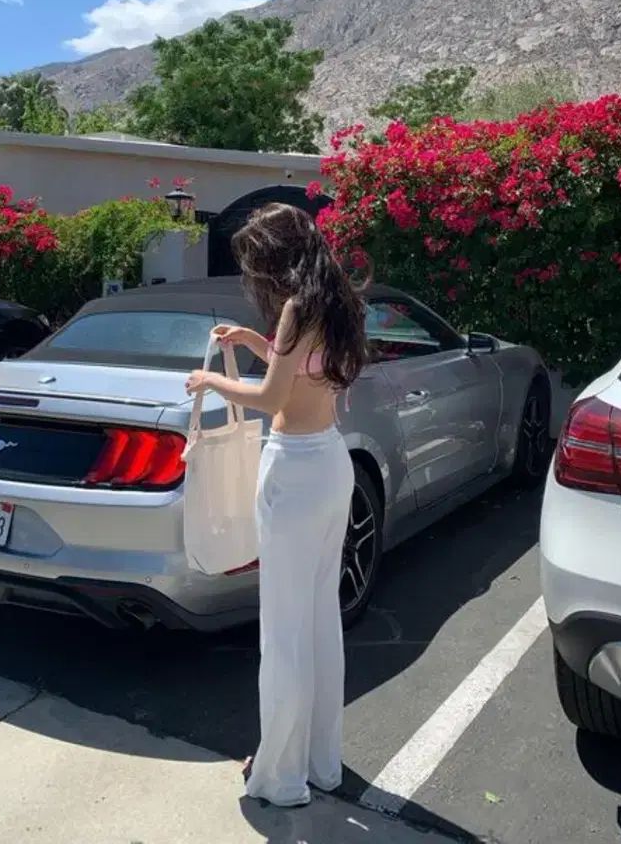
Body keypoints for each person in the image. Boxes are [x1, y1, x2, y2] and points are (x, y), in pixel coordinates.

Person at [185, 203, 369, 808]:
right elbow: (305, 374)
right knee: (319, 622)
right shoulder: (336, 301)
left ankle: (281, 778)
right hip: (331, 463)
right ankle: (319, 763)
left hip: (293, 471)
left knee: (283, 631)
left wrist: (210, 381)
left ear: (274, 258)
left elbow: (270, 399)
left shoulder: (296, 308)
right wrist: (256, 344)